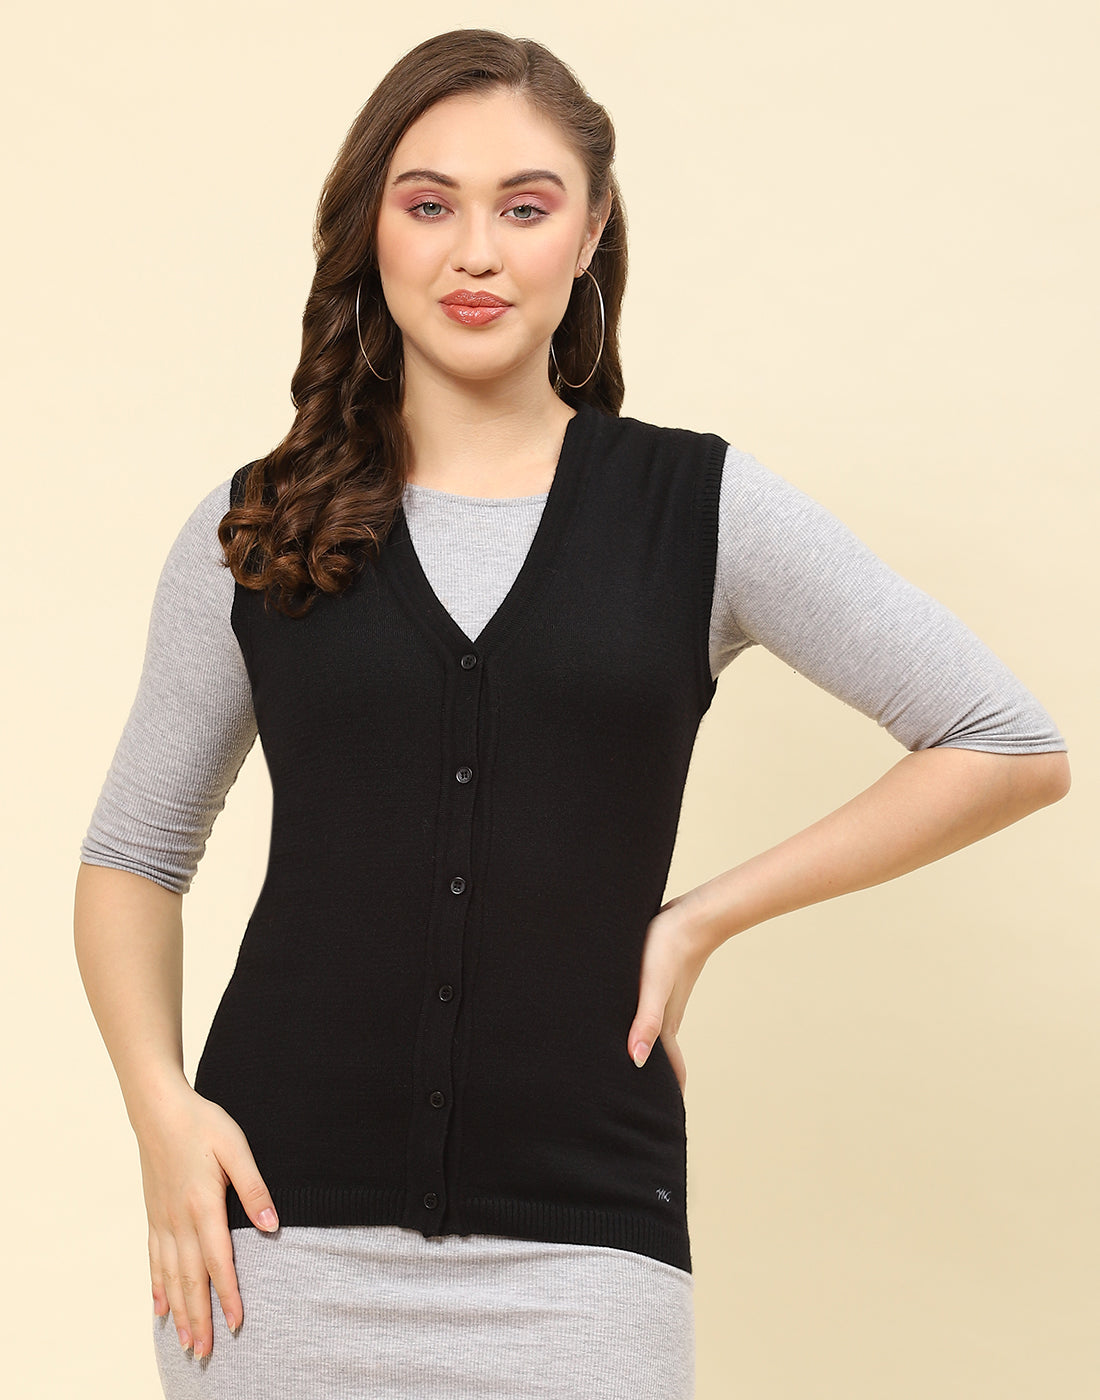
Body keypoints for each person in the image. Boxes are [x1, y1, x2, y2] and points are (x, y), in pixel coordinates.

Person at [73, 27, 1070, 1400]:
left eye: (526, 208)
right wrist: (160, 1114)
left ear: (591, 232)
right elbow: (133, 855)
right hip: (272, 1239)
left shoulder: (694, 512)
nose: (475, 255)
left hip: (584, 1248)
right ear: (372, 229)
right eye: (431, 205)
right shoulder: (260, 526)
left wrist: (699, 917)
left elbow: (1007, 743)